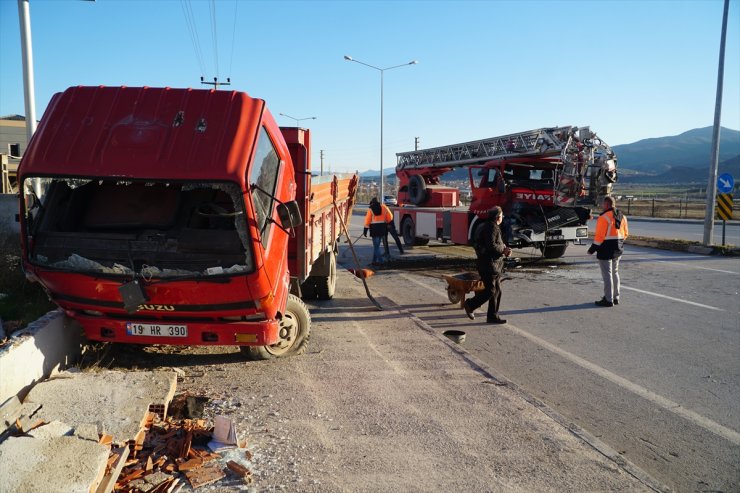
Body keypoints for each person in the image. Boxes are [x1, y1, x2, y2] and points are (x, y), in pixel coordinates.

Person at [463, 206, 512, 324]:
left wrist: (504, 247)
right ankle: (470, 304)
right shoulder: (491, 227)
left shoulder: (492, 227)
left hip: (494, 265)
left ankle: (492, 316)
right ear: (497, 217)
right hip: (488, 265)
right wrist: (503, 250)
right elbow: (492, 247)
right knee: (490, 291)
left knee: (497, 291)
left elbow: (495, 244)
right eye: (502, 216)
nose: (503, 218)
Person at [588, 196, 629, 307]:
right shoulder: (622, 216)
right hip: (618, 248)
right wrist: (618, 242)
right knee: (615, 272)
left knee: (607, 275)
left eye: (602, 204)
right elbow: (625, 234)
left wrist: (591, 250)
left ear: (606, 205)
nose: (601, 206)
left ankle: (608, 299)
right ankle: (616, 297)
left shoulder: (603, 217)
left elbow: (599, 237)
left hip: (606, 249)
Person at [363, 197, 392, 265]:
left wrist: (365, 229)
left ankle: (381, 262)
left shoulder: (370, 209)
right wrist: (387, 222)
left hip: (374, 229)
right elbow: (390, 217)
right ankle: (374, 261)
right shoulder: (384, 207)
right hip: (382, 228)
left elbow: (367, 220)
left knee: (376, 247)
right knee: (377, 247)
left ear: (372, 203)